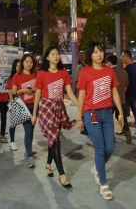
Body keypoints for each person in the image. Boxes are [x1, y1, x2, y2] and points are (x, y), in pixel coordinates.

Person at [77, 42, 124, 201]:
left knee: (110, 147)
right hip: (91, 114)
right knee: (100, 149)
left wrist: (121, 113)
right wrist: (79, 117)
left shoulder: (108, 71)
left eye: (101, 51)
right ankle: (104, 185)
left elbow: (114, 92)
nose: (99, 54)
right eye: (96, 52)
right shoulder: (85, 72)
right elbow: (81, 96)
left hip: (107, 113)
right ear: (90, 55)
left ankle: (98, 167)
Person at [32, 46, 78, 188]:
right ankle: (62, 174)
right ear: (47, 57)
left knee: (54, 139)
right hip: (46, 108)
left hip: (59, 108)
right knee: (55, 139)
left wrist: (81, 106)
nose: (56, 56)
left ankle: (48, 164)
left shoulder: (64, 73)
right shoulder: (41, 73)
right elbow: (38, 94)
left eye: (57, 54)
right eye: (53, 54)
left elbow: (69, 93)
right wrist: (34, 114)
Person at [11, 53, 38, 168]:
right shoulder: (17, 76)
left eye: (31, 62)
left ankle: (28, 150)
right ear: (22, 63)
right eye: (26, 62)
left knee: (31, 130)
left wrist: (34, 89)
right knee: (28, 131)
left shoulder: (36, 75)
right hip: (24, 107)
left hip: (35, 106)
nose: (29, 64)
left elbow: (40, 89)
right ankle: (29, 156)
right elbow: (14, 93)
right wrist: (22, 90)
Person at [106, 54, 131, 144]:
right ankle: (127, 131)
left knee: (109, 120)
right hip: (122, 99)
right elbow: (126, 86)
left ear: (109, 62)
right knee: (122, 117)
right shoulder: (123, 72)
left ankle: (111, 137)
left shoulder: (108, 72)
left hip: (110, 101)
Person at [121, 50, 136, 135]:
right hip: (135, 93)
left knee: (123, 113)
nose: (121, 58)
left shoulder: (127, 69)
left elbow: (125, 83)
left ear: (126, 56)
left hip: (127, 94)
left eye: (123, 56)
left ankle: (125, 130)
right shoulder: (135, 67)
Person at [7, 59, 20, 151]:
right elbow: (10, 93)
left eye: (20, 65)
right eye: (17, 66)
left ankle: (28, 146)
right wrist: (12, 104)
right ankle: (12, 142)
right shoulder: (11, 79)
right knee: (13, 124)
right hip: (15, 102)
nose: (19, 68)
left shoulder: (24, 76)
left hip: (25, 103)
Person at [75, 50, 88, 135]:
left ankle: (86, 128)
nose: (78, 58)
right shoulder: (90, 66)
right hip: (90, 92)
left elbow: (77, 80)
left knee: (83, 109)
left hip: (82, 91)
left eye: (80, 56)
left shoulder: (80, 67)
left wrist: (75, 92)